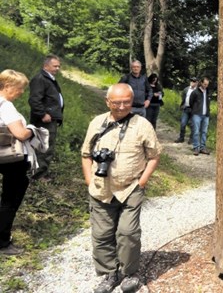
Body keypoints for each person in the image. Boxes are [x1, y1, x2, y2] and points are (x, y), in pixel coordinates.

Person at [81, 83, 162, 293]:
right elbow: (86, 154)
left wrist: (142, 182)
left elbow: (154, 156)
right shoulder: (97, 123)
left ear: (132, 100)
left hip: (130, 189)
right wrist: (90, 180)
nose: (121, 106)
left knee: (128, 233)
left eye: (126, 101)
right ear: (108, 102)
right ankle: (109, 273)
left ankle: (129, 273)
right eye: (116, 102)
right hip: (100, 189)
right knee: (101, 234)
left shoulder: (142, 124)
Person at [0, 70, 35, 256]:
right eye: (20, 88)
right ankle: (3, 242)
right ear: (7, 86)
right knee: (10, 199)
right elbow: (20, 134)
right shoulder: (6, 106)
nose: (21, 92)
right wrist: (31, 130)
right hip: (9, 158)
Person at [28, 54, 64, 179]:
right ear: (46, 66)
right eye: (55, 66)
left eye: (59, 66)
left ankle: (39, 171)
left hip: (50, 118)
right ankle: (39, 175)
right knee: (44, 146)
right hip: (44, 120)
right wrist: (42, 114)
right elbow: (34, 100)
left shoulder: (49, 79)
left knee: (46, 145)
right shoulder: (40, 79)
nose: (57, 68)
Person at [189, 77, 211, 156]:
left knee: (204, 132)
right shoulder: (195, 92)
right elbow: (191, 103)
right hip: (197, 114)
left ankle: (202, 147)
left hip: (206, 115)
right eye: (205, 84)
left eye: (207, 84)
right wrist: (194, 110)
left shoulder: (208, 92)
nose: (206, 86)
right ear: (201, 83)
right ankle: (196, 147)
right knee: (196, 131)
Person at [175, 77, 197, 143]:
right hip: (186, 108)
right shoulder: (186, 89)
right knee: (183, 123)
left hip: (194, 110)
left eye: (194, 81)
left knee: (193, 125)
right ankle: (181, 138)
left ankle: (191, 139)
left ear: (196, 83)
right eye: (191, 81)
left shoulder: (197, 91)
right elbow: (183, 98)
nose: (192, 82)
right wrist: (182, 105)